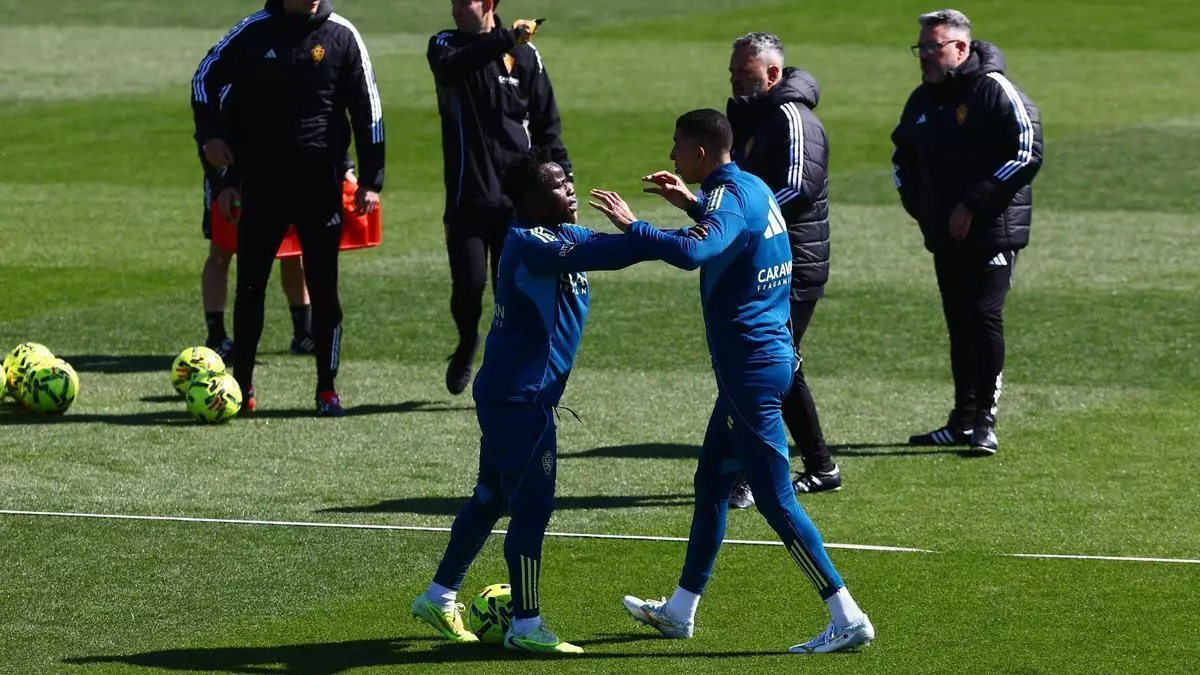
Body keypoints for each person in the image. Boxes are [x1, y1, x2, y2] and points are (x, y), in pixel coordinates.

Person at [589, 109, 874, 653]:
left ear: (700, 153)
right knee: (712, 485)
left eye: (678, 146)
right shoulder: (751, 187)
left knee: (776, 500)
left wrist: (634, 226)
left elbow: (694, 251)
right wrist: (691, 205)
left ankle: (847, 614)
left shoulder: (728, 196)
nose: (672, 155)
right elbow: (732, 230)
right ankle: (680, 610)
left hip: (749, 369)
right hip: (770, 358)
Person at [410, 148, 647, 655]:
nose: (570, 188)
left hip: (510, 395)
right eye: (558, 184)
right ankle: (526, 626)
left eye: (569, 179)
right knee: (532, 508)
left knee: (491, 496)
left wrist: (667, 235)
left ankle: (438, 595)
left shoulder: (558, 235)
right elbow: (615, 252)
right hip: (522, 402)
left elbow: (607, 247)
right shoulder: (530, 244)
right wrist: (656, 233)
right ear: (530, 200)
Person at [191, 0, 385, 417]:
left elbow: (368, 107)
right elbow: (204, 79)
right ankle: (242, 384)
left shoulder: (342, 35)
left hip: (320, 186)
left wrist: (371, 179)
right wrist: (212, 146)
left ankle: (327, 389)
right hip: (262, 185)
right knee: (250, 287)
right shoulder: (253, 31)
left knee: (325, 289)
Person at [891, 9, 1043, 454]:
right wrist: (923, 209)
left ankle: (985, 421)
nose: (924, 55)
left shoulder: (994, 89)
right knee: (958, 324)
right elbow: (902, 157)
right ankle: (962, 418)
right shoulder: (923, 99)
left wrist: (972, 205)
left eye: (932, 46)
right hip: (944, 233)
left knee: (983, 316)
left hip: (994, 229)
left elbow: (1027, 150)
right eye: (921, 47)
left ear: (960, 47)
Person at [428, 0, 571, 395]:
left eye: (466, 1)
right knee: (468, 286)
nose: (456, 8)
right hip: (467, 195)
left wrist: (566, 181)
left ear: (488, 4)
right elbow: (450, 68)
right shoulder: (445, 44)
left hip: (519, 202)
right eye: (453, 1)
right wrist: (505, 38)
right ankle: (466, 341)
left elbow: (547, 127)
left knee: (512, 290)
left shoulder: (526, 56)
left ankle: (508, 371)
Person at [724, 32, 839, 507]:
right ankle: (821, 466)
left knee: (762, 365)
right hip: (764, 261)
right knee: (782, 364)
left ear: (772, 73)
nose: (734, 79)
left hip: (793, 263)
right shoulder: (749, 116)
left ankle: (751, 473)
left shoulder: (793, 117)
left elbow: (799, 189)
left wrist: (737, 222)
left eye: (744, 71)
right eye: (732, 71)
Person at [197, 83, 348, 360]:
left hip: (280, 171)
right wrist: (221, 185)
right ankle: (216, 336)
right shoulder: (230, 74)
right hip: (233, 175)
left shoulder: (288, 70)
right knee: (221, 251)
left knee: (293, 250)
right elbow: (208, 135)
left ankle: (303, 332)